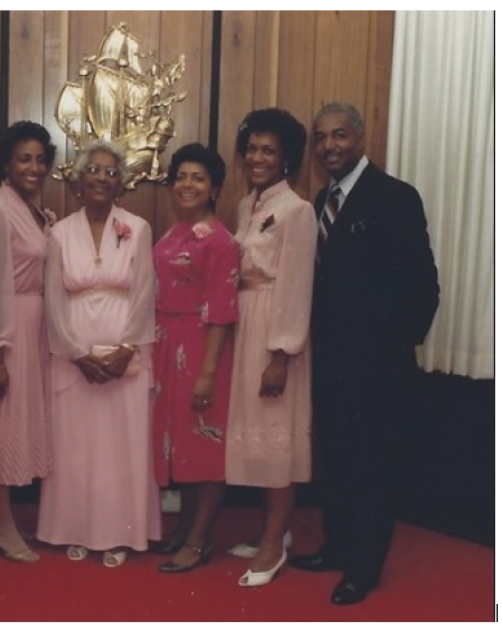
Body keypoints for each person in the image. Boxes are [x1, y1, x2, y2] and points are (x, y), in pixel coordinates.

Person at [288, 103, 439, 605]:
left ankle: (364, 568)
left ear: (360, 137)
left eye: (339, 136)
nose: (329, 146)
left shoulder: (395, 197)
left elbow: (424, 288)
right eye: (321, 138)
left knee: (373, 466)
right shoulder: (320, 200)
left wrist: (387, 348)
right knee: (340, 462)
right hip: (330, 365)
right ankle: (338, 547)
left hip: (378, 370)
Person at [36, 139, 161, 567]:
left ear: (121, 183)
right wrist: (74, 353)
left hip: (125, 358)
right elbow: (53, 299)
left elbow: (145, 292)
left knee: (121, 448)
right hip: (72, 358)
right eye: (95, 170)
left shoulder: (138, 228)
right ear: (78, 179)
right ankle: (74, 528)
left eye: (111, 172)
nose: (102, 178)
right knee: (75, 448)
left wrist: (126, 349)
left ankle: (120, 534)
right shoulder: (58, 232)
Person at [224, 108, 317, 588]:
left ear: (287, 160)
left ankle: (272, 544)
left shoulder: (297, 210)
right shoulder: (248, 206)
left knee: (276, 437)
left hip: (277, 335)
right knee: (256, 434)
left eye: (269, 151)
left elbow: (297, 286)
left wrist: (281, 354)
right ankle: (271, 532)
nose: (257, 158)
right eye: (252, 148)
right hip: (247, 327)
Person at [0, 121, 57, 562]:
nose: (34, 167)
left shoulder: (32, 210)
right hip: (7, 332)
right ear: (6, 162)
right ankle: (1, 523)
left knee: (19, 425)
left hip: (34, 330)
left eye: (41, 159)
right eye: (25, 158)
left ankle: (5, 519)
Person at [150, 143, 240, 573]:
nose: (187, 185)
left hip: (205, 349)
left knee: (205, 444)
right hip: (170, 344)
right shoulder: (174, 232)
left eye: (198, 178)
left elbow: (222, 311)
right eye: (181, 177)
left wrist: (207, 374)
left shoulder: (219, 240)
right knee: (183, 442)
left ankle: (200, 539)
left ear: (214, 188)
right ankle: (185, 527)